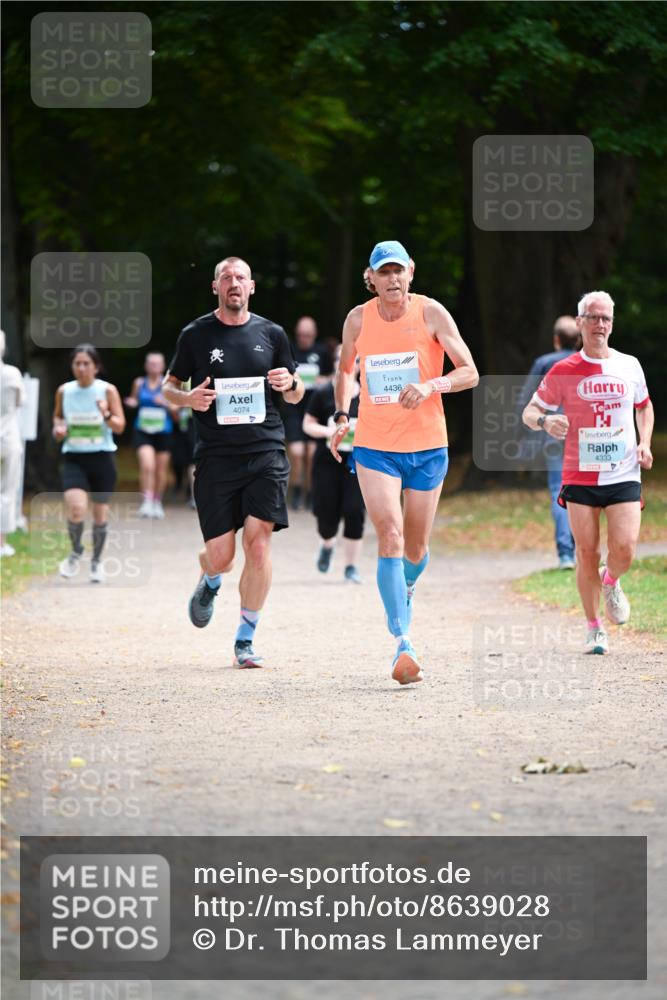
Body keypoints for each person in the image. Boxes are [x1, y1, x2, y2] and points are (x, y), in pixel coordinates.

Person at [331, 240, 478, 685]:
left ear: (411, 272)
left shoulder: (431, 313)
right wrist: (342, 415)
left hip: (428, 444)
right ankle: (403, 641)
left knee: (415, 547)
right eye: (384, 272)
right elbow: (344, 370)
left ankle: (406, 586)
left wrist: (433, 385)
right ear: (370, 277)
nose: (393, 279)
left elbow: (468, 370)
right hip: (375, 444)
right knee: (389, 535)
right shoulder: (358, 318)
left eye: (399, 271)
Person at [162, 256, 304, 668]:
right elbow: (169, 387)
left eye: (240, 277)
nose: (234, 283)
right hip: (216, 457)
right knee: (222, 556)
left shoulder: (272, 334)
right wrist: (187, 399)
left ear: (252, 287)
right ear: (216, 288)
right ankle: (210, 580)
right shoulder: (195, 335)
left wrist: (290, 383)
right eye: (226, 278)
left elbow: (295, 395)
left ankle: (245, 638)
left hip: (265, 451)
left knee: (258, 544)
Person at [522, 290, 654, 655]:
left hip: (623, 470)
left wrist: (645, 443)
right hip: (579, 472)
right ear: (579, 323)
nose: (600, 324)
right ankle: (594, 627)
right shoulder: (563, 370)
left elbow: (644, 407)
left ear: (612, 323)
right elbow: (529, 412)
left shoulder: (630, 365)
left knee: (624, 548)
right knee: (586, 551)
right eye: (593, 317)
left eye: (606, 318)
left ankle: (611, 581)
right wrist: (547, 421)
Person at [53, 344, 126, 583]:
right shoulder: (64, 391)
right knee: (75, 508)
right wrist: (58, 429)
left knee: (99, 515)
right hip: (75, 458)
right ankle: (75, 552)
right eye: (77, 364)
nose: (82, 368)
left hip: (102, 458)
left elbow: (120, 426)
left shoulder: (107, 390)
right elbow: (58, 418)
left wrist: (105, 414)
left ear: (96, 367)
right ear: (72, 366)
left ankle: (96, 562)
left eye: (87, 364)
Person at [517, 316, 581, 569]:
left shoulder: (543, 363)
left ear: (556, 339)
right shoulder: (584, 363)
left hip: (552, 436)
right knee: (582, 493)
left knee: (558, 491)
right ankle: (581, 549)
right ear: (578, 340)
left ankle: (565, 554)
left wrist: (520, 435)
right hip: (582, 437)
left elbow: (527, 400)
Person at [303, 346, 366, 583]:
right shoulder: (322, 393)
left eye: (355, 359)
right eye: (341, 357)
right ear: (334, 362)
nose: (349, 362)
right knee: (326, 515)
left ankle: (351, 567)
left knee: (354, 511)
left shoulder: (369, 395)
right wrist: (329, 431)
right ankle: (327, 544)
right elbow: (307, 424)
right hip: (326, 462)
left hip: (356, 462)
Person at [283, 316, 333, 510]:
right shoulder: (290, 349)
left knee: (312, 454)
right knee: (296, 452)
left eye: (308, 334)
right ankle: (295, 489)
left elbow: (332, 375)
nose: (304, 338)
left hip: (315, 409)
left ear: (314, 334)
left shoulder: (322, 351)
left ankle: (311, 492)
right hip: (293, 408)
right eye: (301, 334)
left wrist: (322, 379)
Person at [124, 352, 179, 518]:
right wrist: (132, 403)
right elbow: (134, 400)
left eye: (157, 364)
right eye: (151, 363)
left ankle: (157, 501)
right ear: (146, 366)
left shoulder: (169, 384)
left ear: (163, 366)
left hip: (164, 431)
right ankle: (146, 501)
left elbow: (177, 412)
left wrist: (165, 404)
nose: (154, 366)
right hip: (143, 430)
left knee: (161, 471)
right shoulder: (139, 383)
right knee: (147, 466)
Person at [0, 330, 25, 557]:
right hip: (8, 436)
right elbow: (20, 402)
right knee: (7, 490)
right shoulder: (12, 373)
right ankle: (1, 542)